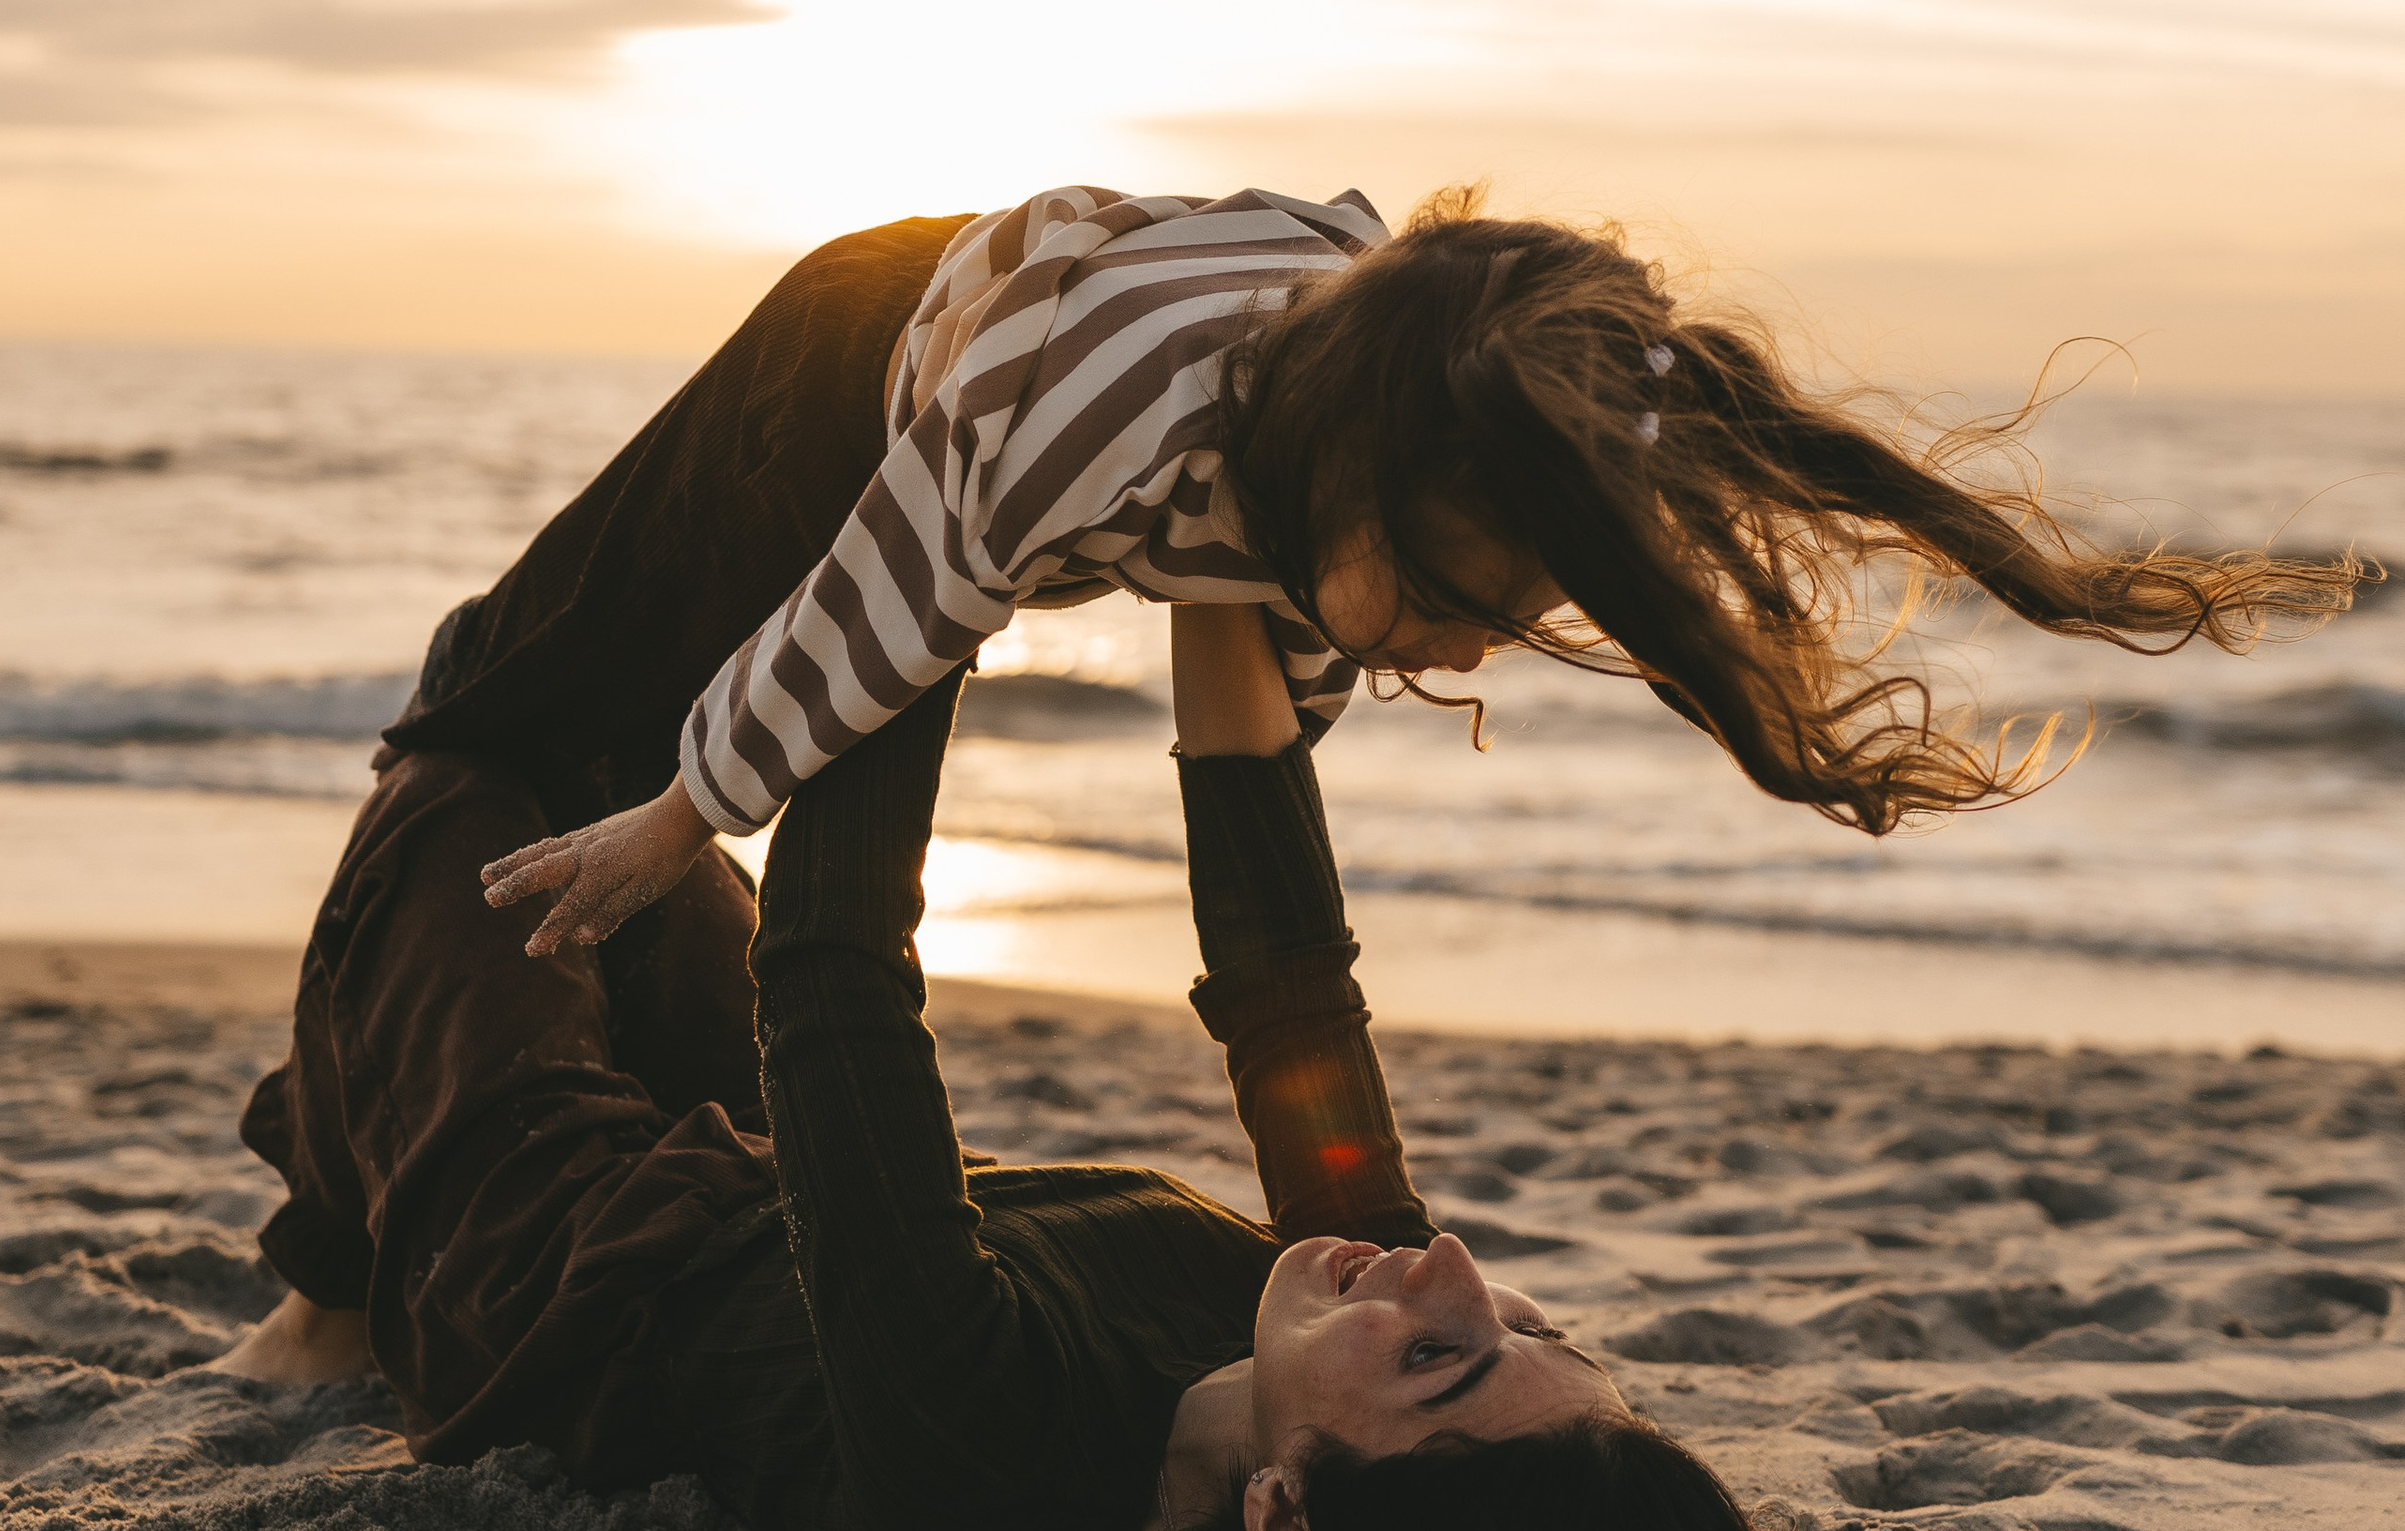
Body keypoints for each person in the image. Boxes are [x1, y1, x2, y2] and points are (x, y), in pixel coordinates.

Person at [225, 606, 2109, 1531]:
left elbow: (841, 974)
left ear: (1285, 1524)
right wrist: (1219, 593)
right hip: (743, 1176)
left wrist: (940, 572)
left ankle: (355, 1266)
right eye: (1527, 1323)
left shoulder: (988, 1481)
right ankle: (328, 1265)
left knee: (478, 765)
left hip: (557, 1267)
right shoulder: (1331, 1321)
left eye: (1444, 1361)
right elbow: (1286, 980)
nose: (1442, 1266)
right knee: (622, 834)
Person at [427, 182, 2350, 969]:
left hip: (1166, 429)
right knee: (575, 658)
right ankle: (453, 740)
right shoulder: (1091, 431)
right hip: (862, 357)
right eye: (1442, 593)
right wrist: (684, 814)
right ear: (1330, 474)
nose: (1461, 646)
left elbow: (1250, 752)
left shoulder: (1429, 420)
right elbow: (890, 601)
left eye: (1501, 614)